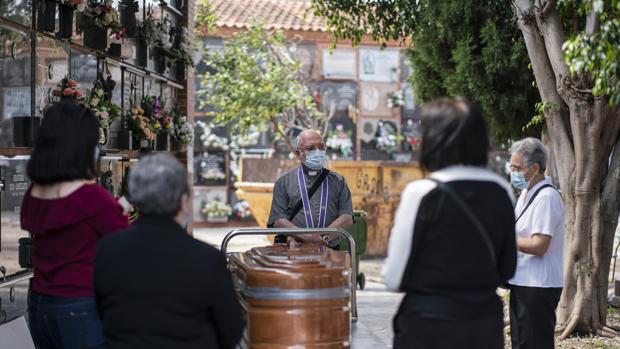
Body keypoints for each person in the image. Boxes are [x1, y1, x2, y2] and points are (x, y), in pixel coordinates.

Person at [382, 97, 517, 349]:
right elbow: (508, 269)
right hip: (483, 327)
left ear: (433, 140)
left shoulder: (420, 192)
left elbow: (394, 278)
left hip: (428, 328)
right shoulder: (501, 190)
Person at [94, 154, 244, 349]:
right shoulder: (207, 259)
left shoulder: (108, 250)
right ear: (183, 201)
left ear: (136, 198)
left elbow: (102, 312)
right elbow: (231, 330)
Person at [21, 101, 128, 349]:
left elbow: (68, 221)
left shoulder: (33, 194)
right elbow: (125, 240)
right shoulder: (92, 197)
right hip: (81, 305)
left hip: (40, 304)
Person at [507, 137, 564, 349]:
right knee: (521, 342)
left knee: (534, 343)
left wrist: (505, 240)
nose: (513, 172)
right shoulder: (526, 193)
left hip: (538, 284)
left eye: (517, 167)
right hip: (523, 282)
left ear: (535, 168)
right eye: (511, 166)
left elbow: (540, 245)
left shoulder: (547, 198)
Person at [267, 129, 353, 246]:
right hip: (295, 249)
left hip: (329, 249)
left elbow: (347, 217)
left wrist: (325, 238)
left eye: (321, 147)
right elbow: (278, 220)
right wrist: (307, 237)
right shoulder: (284, 182)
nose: (317, 152)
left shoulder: (338, 181)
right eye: (310, 148)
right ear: (298, 154)